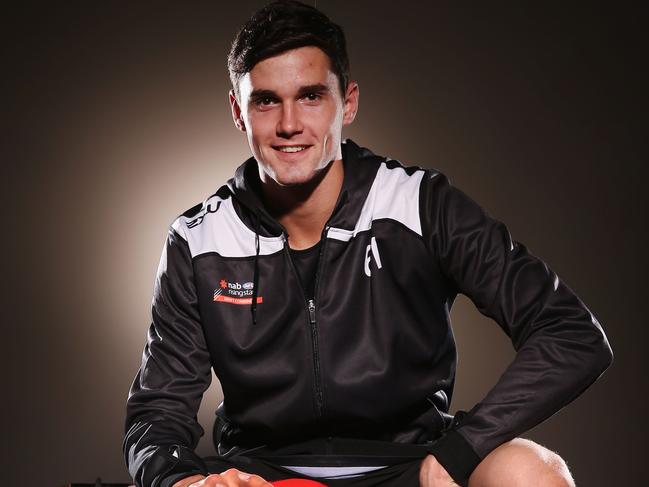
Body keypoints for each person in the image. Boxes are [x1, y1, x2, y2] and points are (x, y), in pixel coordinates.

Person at [123, 1, 613, 486]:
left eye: (311, 96)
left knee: (529, 471)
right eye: (266, 100)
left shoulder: (420, 205)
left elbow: (572, 334)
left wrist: (463, 450)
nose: (289, 123)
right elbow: (157, 413)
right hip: (264, 475)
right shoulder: (197, 238)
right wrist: (182, 483)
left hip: (413, 465)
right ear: (238, 110)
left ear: (349, 103)